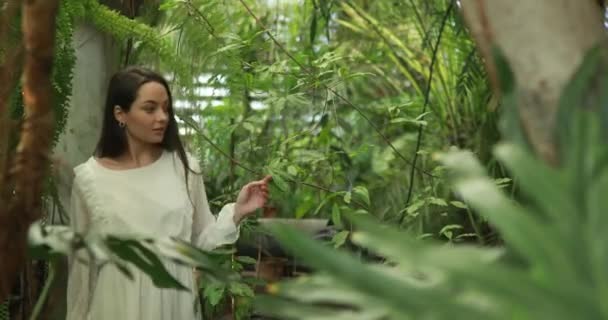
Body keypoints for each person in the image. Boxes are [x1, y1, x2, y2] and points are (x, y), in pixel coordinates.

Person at [65, 66, 271, 320]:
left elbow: (202, 239)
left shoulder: (184, 168)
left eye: (166, 108)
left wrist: (237, 212)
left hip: (175, 303)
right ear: (120, 114)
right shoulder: (89, 180)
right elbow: (82, 269)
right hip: (115, 304)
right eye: (150, 109)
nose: (162, 117)